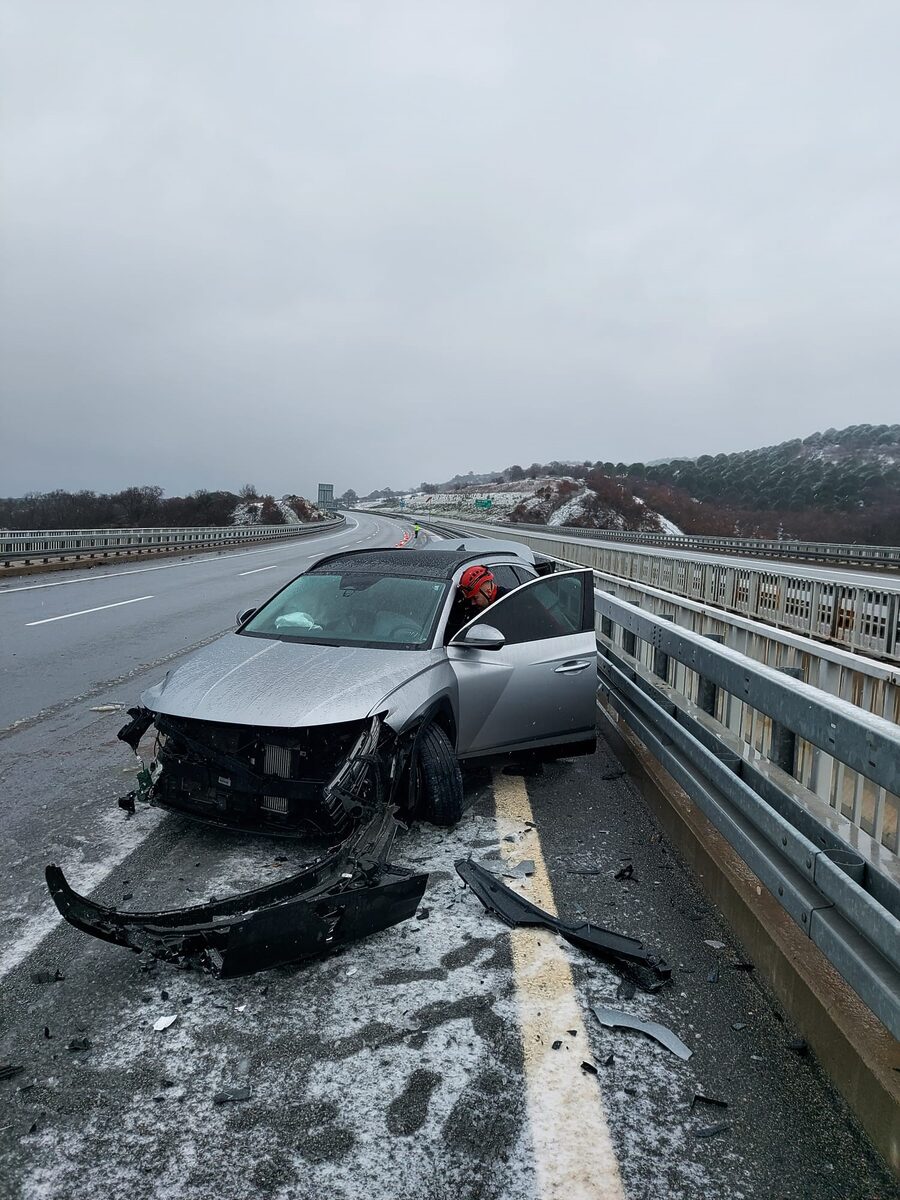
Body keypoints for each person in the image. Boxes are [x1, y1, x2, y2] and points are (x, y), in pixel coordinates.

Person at [444, 564, 497, 641]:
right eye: (470, 599)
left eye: (475, 598)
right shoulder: (467, 606)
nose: (472, 603)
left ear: (488, 592)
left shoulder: (507, 603)